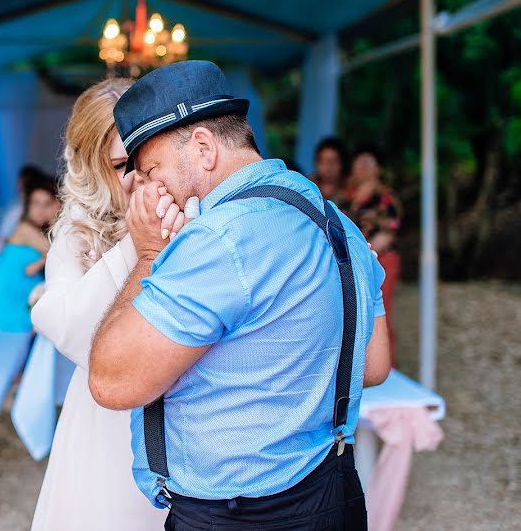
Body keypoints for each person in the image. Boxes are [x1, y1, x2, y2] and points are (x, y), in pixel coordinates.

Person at [88, 61, 390, 530]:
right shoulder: (338, 223)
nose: (147, 189)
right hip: (333, 497)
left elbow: (111, 382)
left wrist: (148, 253)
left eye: (151, 170)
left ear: (204, 148)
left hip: (237, 516)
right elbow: (373, 365)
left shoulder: (217, 240)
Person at [29, 78, 183, 530]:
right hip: (110, 427)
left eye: (148, 159)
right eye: (121, 166)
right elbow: (74, 333)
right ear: (91, 167)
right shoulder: (77, 236)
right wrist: (139, 245)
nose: (142, 180)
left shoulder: (193, 211)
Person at [0, 173, 60, 332]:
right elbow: (59, 251)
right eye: (35, 204)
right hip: (6, 294)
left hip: (17, 293)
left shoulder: (39, 231)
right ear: (28, 206)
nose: (40, 210)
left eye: (47, 204)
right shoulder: (25, 228)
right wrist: (54, 218)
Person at [344, 144, 402, 368]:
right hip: (355, 260)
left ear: (378, 168)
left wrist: (366, 255)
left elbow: (388, 234)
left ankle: (386, 368)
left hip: (381, 260)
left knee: (381, 313)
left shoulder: (385, 198)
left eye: (368, 163)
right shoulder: (347, 195)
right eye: (358, 163)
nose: (362, 168)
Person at [311, 136, 349, 203]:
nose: (327, 168)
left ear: (342, 164)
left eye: (332, 162)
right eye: (322, 162)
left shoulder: (350, 191)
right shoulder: (308, 187)